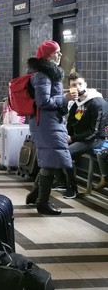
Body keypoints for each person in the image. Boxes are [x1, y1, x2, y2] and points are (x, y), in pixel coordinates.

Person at [24, 40, 77, 216]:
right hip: (46, 123)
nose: (60, 55)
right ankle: (42, 203)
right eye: (57, 52)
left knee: (49, 159)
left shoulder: (46, 73)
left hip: (49, 122)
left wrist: (63, 96)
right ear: (47, 55)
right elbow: (43, 102)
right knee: (51, 161)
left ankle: (35, 195)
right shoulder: (43, 75)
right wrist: (66, 98)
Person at [61, 72, 107, 199]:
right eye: (74, 85)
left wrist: (72, 139)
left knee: (67, 152)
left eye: (80, 84)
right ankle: (60, 181)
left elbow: (95, 132)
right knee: (55, 147)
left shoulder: (97, 103)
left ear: (85, 85)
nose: (78, 87)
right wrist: (65, 137)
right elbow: (70, 124)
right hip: (79, 137)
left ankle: (72, 188)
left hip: (96, 139)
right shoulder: (76, 104)